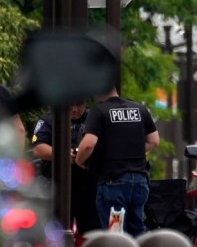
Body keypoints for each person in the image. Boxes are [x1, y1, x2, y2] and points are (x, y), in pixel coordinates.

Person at [76, 87, 159, 237]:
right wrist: (131, 150)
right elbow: (154, 141)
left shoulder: (99, 110)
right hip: (140, 182)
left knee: (115, 233)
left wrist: (79, 160)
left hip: (114, 182)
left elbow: (88, 144)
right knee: (137, 231)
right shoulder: (139, 109)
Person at [31, 101, 102, 237]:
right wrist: (63, 154)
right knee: (56, 235)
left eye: (79, 104)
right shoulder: (49, 120)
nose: (75, 109)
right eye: (71, 104)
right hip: (58, 187)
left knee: (93, 235)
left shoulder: (95, 118)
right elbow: (38, 149)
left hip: (89, 187)